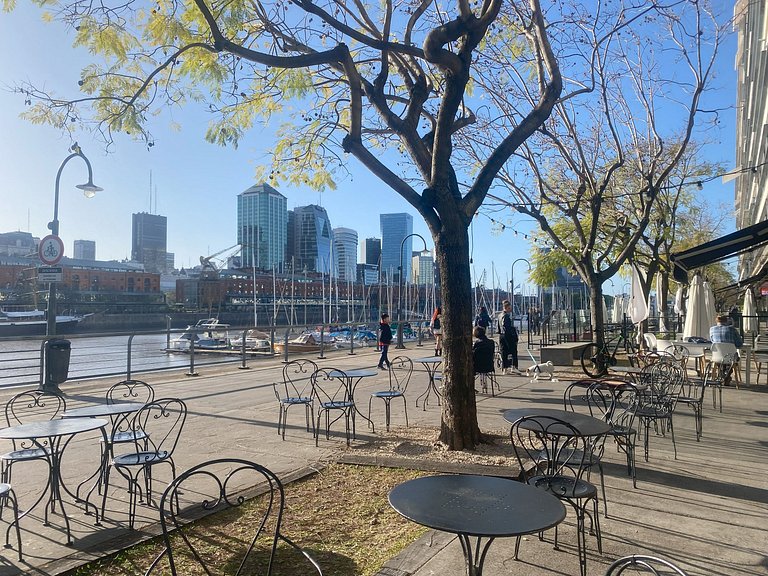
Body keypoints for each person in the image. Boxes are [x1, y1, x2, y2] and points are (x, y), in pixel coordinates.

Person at [497, 299, 519, 374]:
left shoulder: (500, 315)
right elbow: (506, 327)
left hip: (501, 336)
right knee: (514, 351)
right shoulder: (506, 316)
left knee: (504, 352)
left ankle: (504, 368)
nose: (511, 309)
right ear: (506, 308)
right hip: (508, 335)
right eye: (510, 308)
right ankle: (514, 366)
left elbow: (499, 327)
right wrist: (513, 332)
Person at [472, 326, 496, 392]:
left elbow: (474, 354)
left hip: (478, 367)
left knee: (469, 369)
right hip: (489, 365)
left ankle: (471, 386)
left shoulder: (478, 343)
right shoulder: (491, 342)